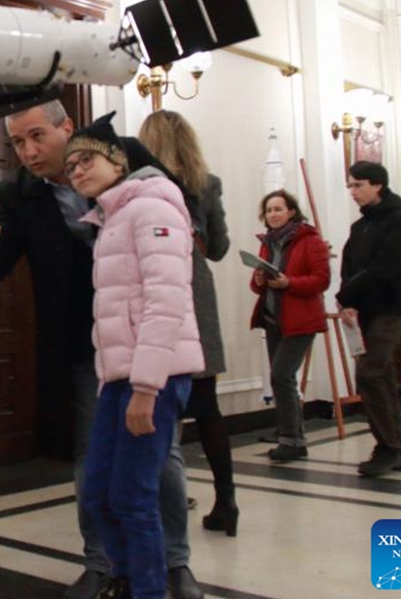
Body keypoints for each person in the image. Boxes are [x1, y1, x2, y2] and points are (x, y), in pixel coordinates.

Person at [0, 102, 202, 599]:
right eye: (17, 143)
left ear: (66, 127)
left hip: (147, 340)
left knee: (159, 457)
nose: (28, 152)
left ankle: (174, 563)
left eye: (36, 137)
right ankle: (105, 564)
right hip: (82, 340)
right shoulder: (18, 192)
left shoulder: (126, 160)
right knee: (92, 460)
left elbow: (178, 222)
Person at [65, 115, 205, 599]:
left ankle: (149, 590)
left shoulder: (152, 208)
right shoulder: (112, 218)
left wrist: (146, 387)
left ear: (118, 160)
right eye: (71, 167)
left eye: (87, 160)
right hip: (119, 376)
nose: (77, 172)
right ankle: (128, 578)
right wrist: (114, 381)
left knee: (132, 494)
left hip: (155, 376)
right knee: (101, 491)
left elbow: (166, 301)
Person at [138, 110, 238, 538]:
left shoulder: (139, 184)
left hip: (156, 291)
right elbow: (217, 248)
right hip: (198, 294)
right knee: (207, 405)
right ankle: (227, 501)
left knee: (160, 404)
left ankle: (166, 496)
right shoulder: (207, 184)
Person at [336, 161, 401, 477]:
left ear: (377, 185)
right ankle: (392, 447)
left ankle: (389, 447)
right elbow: (349, 268)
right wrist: (347, 301)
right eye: (350, 186)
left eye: (358, 185)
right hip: (363, 311)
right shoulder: (360, 227)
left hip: (389, 308)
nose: (353, 192)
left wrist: (348, 295)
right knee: (380, 376)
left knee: (371, 374)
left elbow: (386, 268)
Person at [249, 190, 330, 463]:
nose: (273, 214)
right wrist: (259, 279)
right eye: (269, 210)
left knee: (281, 376)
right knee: (283, 378)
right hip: (274, 318)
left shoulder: (310, 240)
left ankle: (292, 440)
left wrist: (289, 283)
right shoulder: (267, 243)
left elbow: (321, 280)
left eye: (278, 209)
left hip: (300, 319)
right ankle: (292, 434)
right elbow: (256, 286)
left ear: (291, 212)